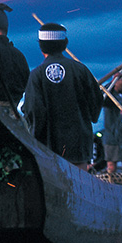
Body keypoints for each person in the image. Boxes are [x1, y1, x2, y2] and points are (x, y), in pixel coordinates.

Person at [21, 23, 103, 168]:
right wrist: (90, 117)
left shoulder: (36, 75)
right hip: (79, 147)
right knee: (79, 187)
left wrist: (35, 138)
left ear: (41, 47)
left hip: (48, 149)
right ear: (65, 44)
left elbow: (34, 109)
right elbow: (96, 100)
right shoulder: (80, 70)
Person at [102, 72, 122, 174]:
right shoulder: (109, 94)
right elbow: (102, 93)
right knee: (111, 164)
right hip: (111, 135)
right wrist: (111, 81)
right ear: (117, 81)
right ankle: (110, 184)